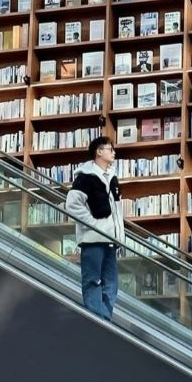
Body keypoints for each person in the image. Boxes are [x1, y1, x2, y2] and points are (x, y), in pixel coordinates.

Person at [66, 136, 124, 321]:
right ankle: (96, 322)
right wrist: (92, 224)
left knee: (111, 284)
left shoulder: (112, 178)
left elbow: (117, 212)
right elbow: (72, 205)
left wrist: (119, 238)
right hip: (92, 241)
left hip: (110, 241)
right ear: (99, 151)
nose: (113, 152)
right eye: (110, 149)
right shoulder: (85, 177)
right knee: (92, 281)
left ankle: (104, 321)